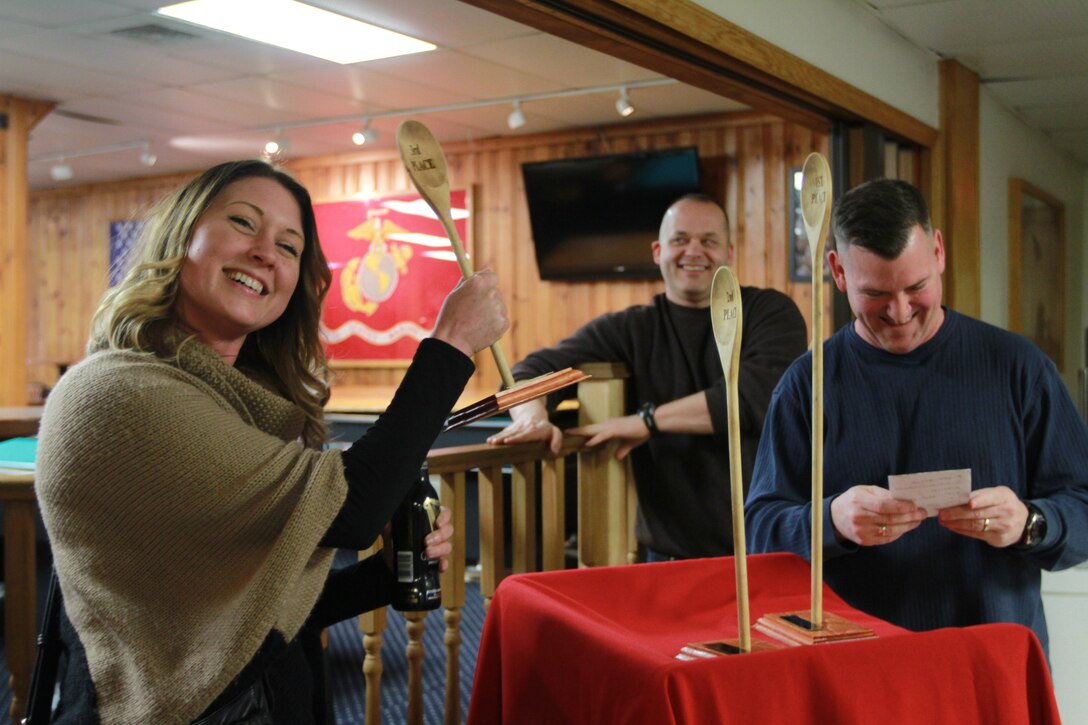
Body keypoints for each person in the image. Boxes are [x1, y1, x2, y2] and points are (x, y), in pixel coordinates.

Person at [35, 159, 509, 724]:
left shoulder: (238, 402)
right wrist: (451, 344)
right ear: (182, 235)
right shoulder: (118, 391)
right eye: (243, 222)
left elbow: (250, 617)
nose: (266, 251)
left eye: (289, 247)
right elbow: (353, 511)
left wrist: (381, 578)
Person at [745, 178, 1088, 655]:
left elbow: (1083, 504)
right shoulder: (808, 383)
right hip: (857, 669)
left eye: (916, 286)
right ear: (838, 272)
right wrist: (831, 520)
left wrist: (1030, 522)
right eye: (876, 294)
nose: (900, 312)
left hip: (992, 662)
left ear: (939, 252)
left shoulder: (1018, 368)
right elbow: (758, 531)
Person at [488, 193, 807, 560]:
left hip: (764, 548)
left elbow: (752, 398)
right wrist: (532, 418)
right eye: (680, 240)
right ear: (658, 251)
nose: (694, 252)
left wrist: (647, 421)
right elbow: (529, 373)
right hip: (669, 554)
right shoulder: (632, 328)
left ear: (729, 253)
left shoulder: (770, 312)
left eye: (709, 241)